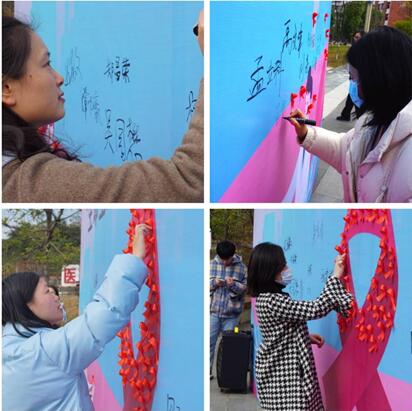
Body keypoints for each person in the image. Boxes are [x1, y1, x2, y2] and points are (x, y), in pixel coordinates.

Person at [2, 11, 204, 203]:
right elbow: (187, 181)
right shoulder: (31, 186)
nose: (59, 78)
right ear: (6, 89)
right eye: (46, 64)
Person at [2, 224, 150, 411]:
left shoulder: (9, 348)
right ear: (26, 305)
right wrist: (134, 259)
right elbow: (103, 315)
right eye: (47, 291)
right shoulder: (44, 352)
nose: (56, 296)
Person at [288, 26, 412, 202]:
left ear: (379, 80)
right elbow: (347, 150)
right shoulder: (375, 121)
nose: (356, 88)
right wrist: (306, 133)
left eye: (356, 79)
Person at [247, 242, 353, 411]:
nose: (287, 269)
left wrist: (304, 337)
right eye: (282, 265)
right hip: (284, 377)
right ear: (270, 271)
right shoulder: (273, 301)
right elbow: (317, 308)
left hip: (278, 372)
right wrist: (335, 276)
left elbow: (278, 331)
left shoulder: (264, 298)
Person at [209, 240, 247, 379]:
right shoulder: (211, 264)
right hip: (213, 312)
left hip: (232, 314)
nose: (225, 262)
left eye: (228, 259)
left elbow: (245, 288)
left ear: (233, 255)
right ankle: (207, 372)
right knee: (208, 343)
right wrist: (214, 283)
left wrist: (233, 285)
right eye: (222, 259)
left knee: (228, 346)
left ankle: (225, 376)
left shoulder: (242, 267)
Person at [336, 30, 365, 122]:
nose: (355, 39)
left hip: (360, 81)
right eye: (355, 37)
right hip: (354, 80)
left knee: (358, 101)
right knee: (352, 96)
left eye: (358, 37)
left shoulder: (364, 50)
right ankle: (346, 114)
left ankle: (359, 119)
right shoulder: (354, 49)